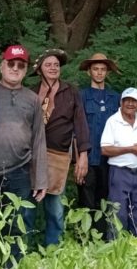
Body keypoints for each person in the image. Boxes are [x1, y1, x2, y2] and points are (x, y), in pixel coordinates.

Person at [0, 44, 47, 256]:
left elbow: (39, 139)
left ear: (26, 69)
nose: (15, 68)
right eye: (10, 63)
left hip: (20, 172)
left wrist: (40, 179)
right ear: (2, 66)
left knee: (19, 227)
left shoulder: (33, 99)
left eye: (20, 65)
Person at [31, 49, 90, 246]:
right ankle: (23, 252)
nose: (53, 67)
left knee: (55, 208)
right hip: (32, 157)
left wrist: (83, 155)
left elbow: (80, 123)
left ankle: (53, 252)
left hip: (59, 156)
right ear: (39, 70)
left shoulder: (71, 91)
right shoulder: (30, 91)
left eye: (56, 64)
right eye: (48, 64)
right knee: (28, 206)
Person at [77, 52, 121, 238]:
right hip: (88, 156)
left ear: (107, 72)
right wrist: (80, 156)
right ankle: (85, 241)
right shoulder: (81, 96)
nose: (99, 72)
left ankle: (103, 241)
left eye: (103, 69)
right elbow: (76, 128)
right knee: (86, 202)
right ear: (89, 72)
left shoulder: (116, 97)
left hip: (111, 158)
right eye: (95, 69)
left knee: (106, 201)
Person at [100, 87, 137, 239]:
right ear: (121, 102)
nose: (130, 104)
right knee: (118, 213)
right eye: (127, 100)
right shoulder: (113, 121)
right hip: (119, 172)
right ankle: (115, 248)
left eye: (134, 101)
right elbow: (105, 149)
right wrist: (130, 149)